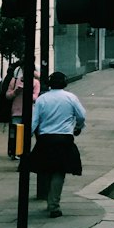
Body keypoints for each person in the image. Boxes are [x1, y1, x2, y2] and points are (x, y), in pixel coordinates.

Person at [29, 71, 85, 218]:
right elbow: (81, 115)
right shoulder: (71, 98)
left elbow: (34, 121)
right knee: (59, 172)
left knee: (46, 169)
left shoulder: (42, 99)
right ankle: (53, 205)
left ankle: (49, 199)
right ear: (64, 83)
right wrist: (78, 126)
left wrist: (26, 136)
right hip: (64, 139)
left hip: (45, 139)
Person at [8, 64, 40, 161]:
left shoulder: (35, 82)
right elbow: (8, 95)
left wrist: (27, 92)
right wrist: (15, 92)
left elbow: (35, 97)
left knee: (28, 133)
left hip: (30, 111)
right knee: (16, 133)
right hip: (16, 110)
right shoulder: (14, 81)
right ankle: (16, 152)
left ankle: (27, 152)